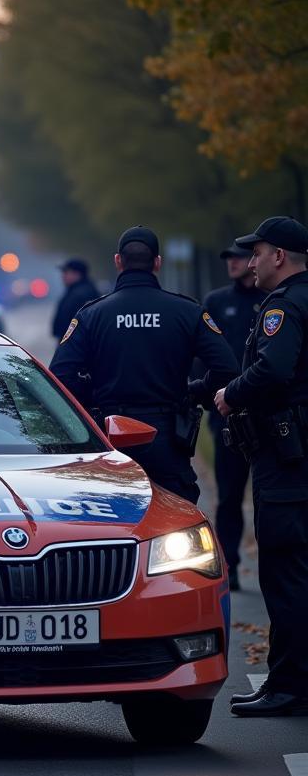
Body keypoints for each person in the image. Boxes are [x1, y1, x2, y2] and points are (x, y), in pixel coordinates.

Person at [49, 225, 237, 503]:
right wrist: (193, 391)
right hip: (168, 437)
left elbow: (60, 376)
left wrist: (95, 395)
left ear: (118, 261)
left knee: (114, 523)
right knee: (176, 523)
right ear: (157, 263)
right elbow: (227, 369)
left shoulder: (92, 314)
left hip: (111, 434)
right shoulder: (187, 311)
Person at [214, 216, 308, 717]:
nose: (249, 260)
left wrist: (231, 393)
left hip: (286, 458)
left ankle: (288, 686)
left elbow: (274, 368)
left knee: (284, 569)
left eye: (258, 251)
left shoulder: (284, 306)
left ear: (280, 256)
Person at [203, 245, 261, 589]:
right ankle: (231, 565)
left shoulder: (273, 300)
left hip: (268, 411)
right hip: (227, 414)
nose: (233, 263)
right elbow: (202, 357)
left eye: (238, 257)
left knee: (272, 494)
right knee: (229, 496)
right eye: (227, 258)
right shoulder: (216, 302)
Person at [52, 258, 99, 340]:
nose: (63, 276)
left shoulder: (82, 294)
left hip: (75, 344)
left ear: (77, 274)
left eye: (66, 272)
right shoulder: (74, 291)